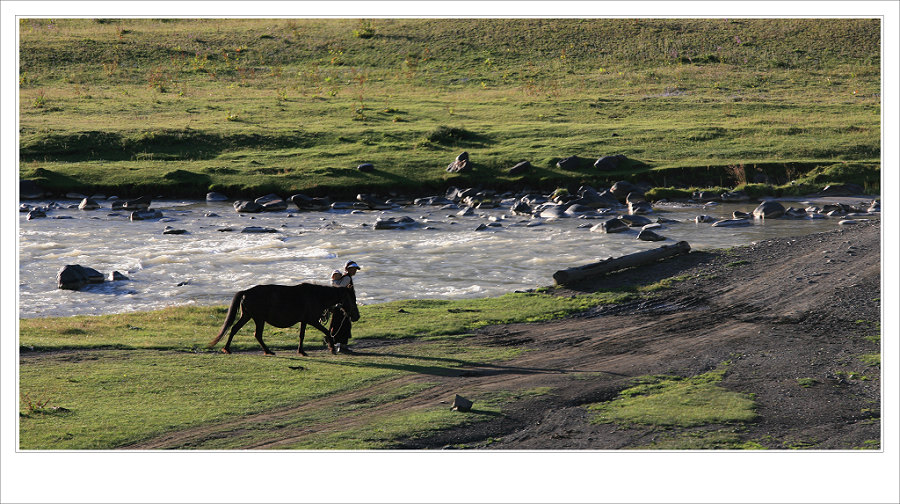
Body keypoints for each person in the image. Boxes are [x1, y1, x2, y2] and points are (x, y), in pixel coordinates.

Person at [329, 260, 361, 353]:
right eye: (353, 269)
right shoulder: (347, 278)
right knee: (345, 325)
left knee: (338, 324)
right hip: (344, 307)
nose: (354, 271)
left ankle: (336, 344)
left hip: (340, 306)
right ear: (348, 269)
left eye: (355, 269)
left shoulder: (344, 277)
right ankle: (341, 346)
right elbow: (340, 288)